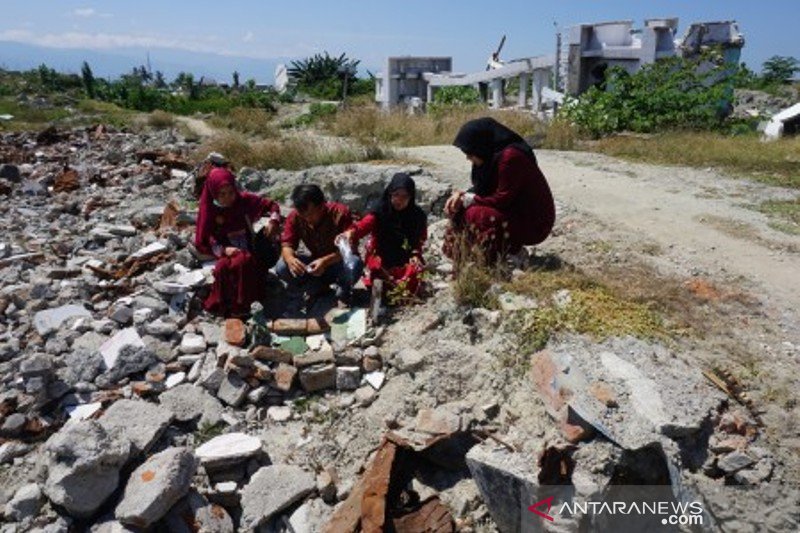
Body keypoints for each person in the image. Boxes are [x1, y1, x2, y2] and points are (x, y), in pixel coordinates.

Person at [444, 117, 555, 262]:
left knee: (476, 214)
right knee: (460, 210)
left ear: (481, 146)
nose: (468, 158)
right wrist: (461, 195)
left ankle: (507, 253)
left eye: (470, 153)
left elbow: (503, 198)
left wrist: (471, 199)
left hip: (532, 222)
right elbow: (482, 187)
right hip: (512, 212)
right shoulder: (490, 157)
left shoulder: (510, 158)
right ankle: (465, 254)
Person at [194, 167, 282, 316]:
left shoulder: (245, 201)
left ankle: (243, 305)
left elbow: (272, 206)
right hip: (226, 251)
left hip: (250, 250)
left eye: (230, 193)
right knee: (222, 267)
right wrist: (223, 250)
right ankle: (226, 304)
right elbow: (206, 240)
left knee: (243, 262)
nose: (227, 198)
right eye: (222, 194)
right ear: (214, 193)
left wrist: (273, 221)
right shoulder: (210, 210)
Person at [339, 173, 427, 300]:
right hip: (382, 256)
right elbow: (361, 227)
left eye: (404, 197)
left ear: (411, 197)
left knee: (414, 275)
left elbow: (419, 240)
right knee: (382, 278)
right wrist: (350, 232)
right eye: (396, 195)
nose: (399, 200)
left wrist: (415, 254)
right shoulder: (380, 212)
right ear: (390, 193)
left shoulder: (417, 216)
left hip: (405, 257)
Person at [276, 184, 363, 302]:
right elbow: (287, 244)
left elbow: (349, 249)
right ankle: (317, 287)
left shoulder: (340, 213)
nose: (307, 219)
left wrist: (325, 261)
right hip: (315, 264)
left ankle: (344, 287)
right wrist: (291, 259)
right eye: (303, 215)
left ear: (322, 205)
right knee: (282, 267)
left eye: (310, 214)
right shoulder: (295, 216)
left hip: (337, 264)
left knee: (354, 264)